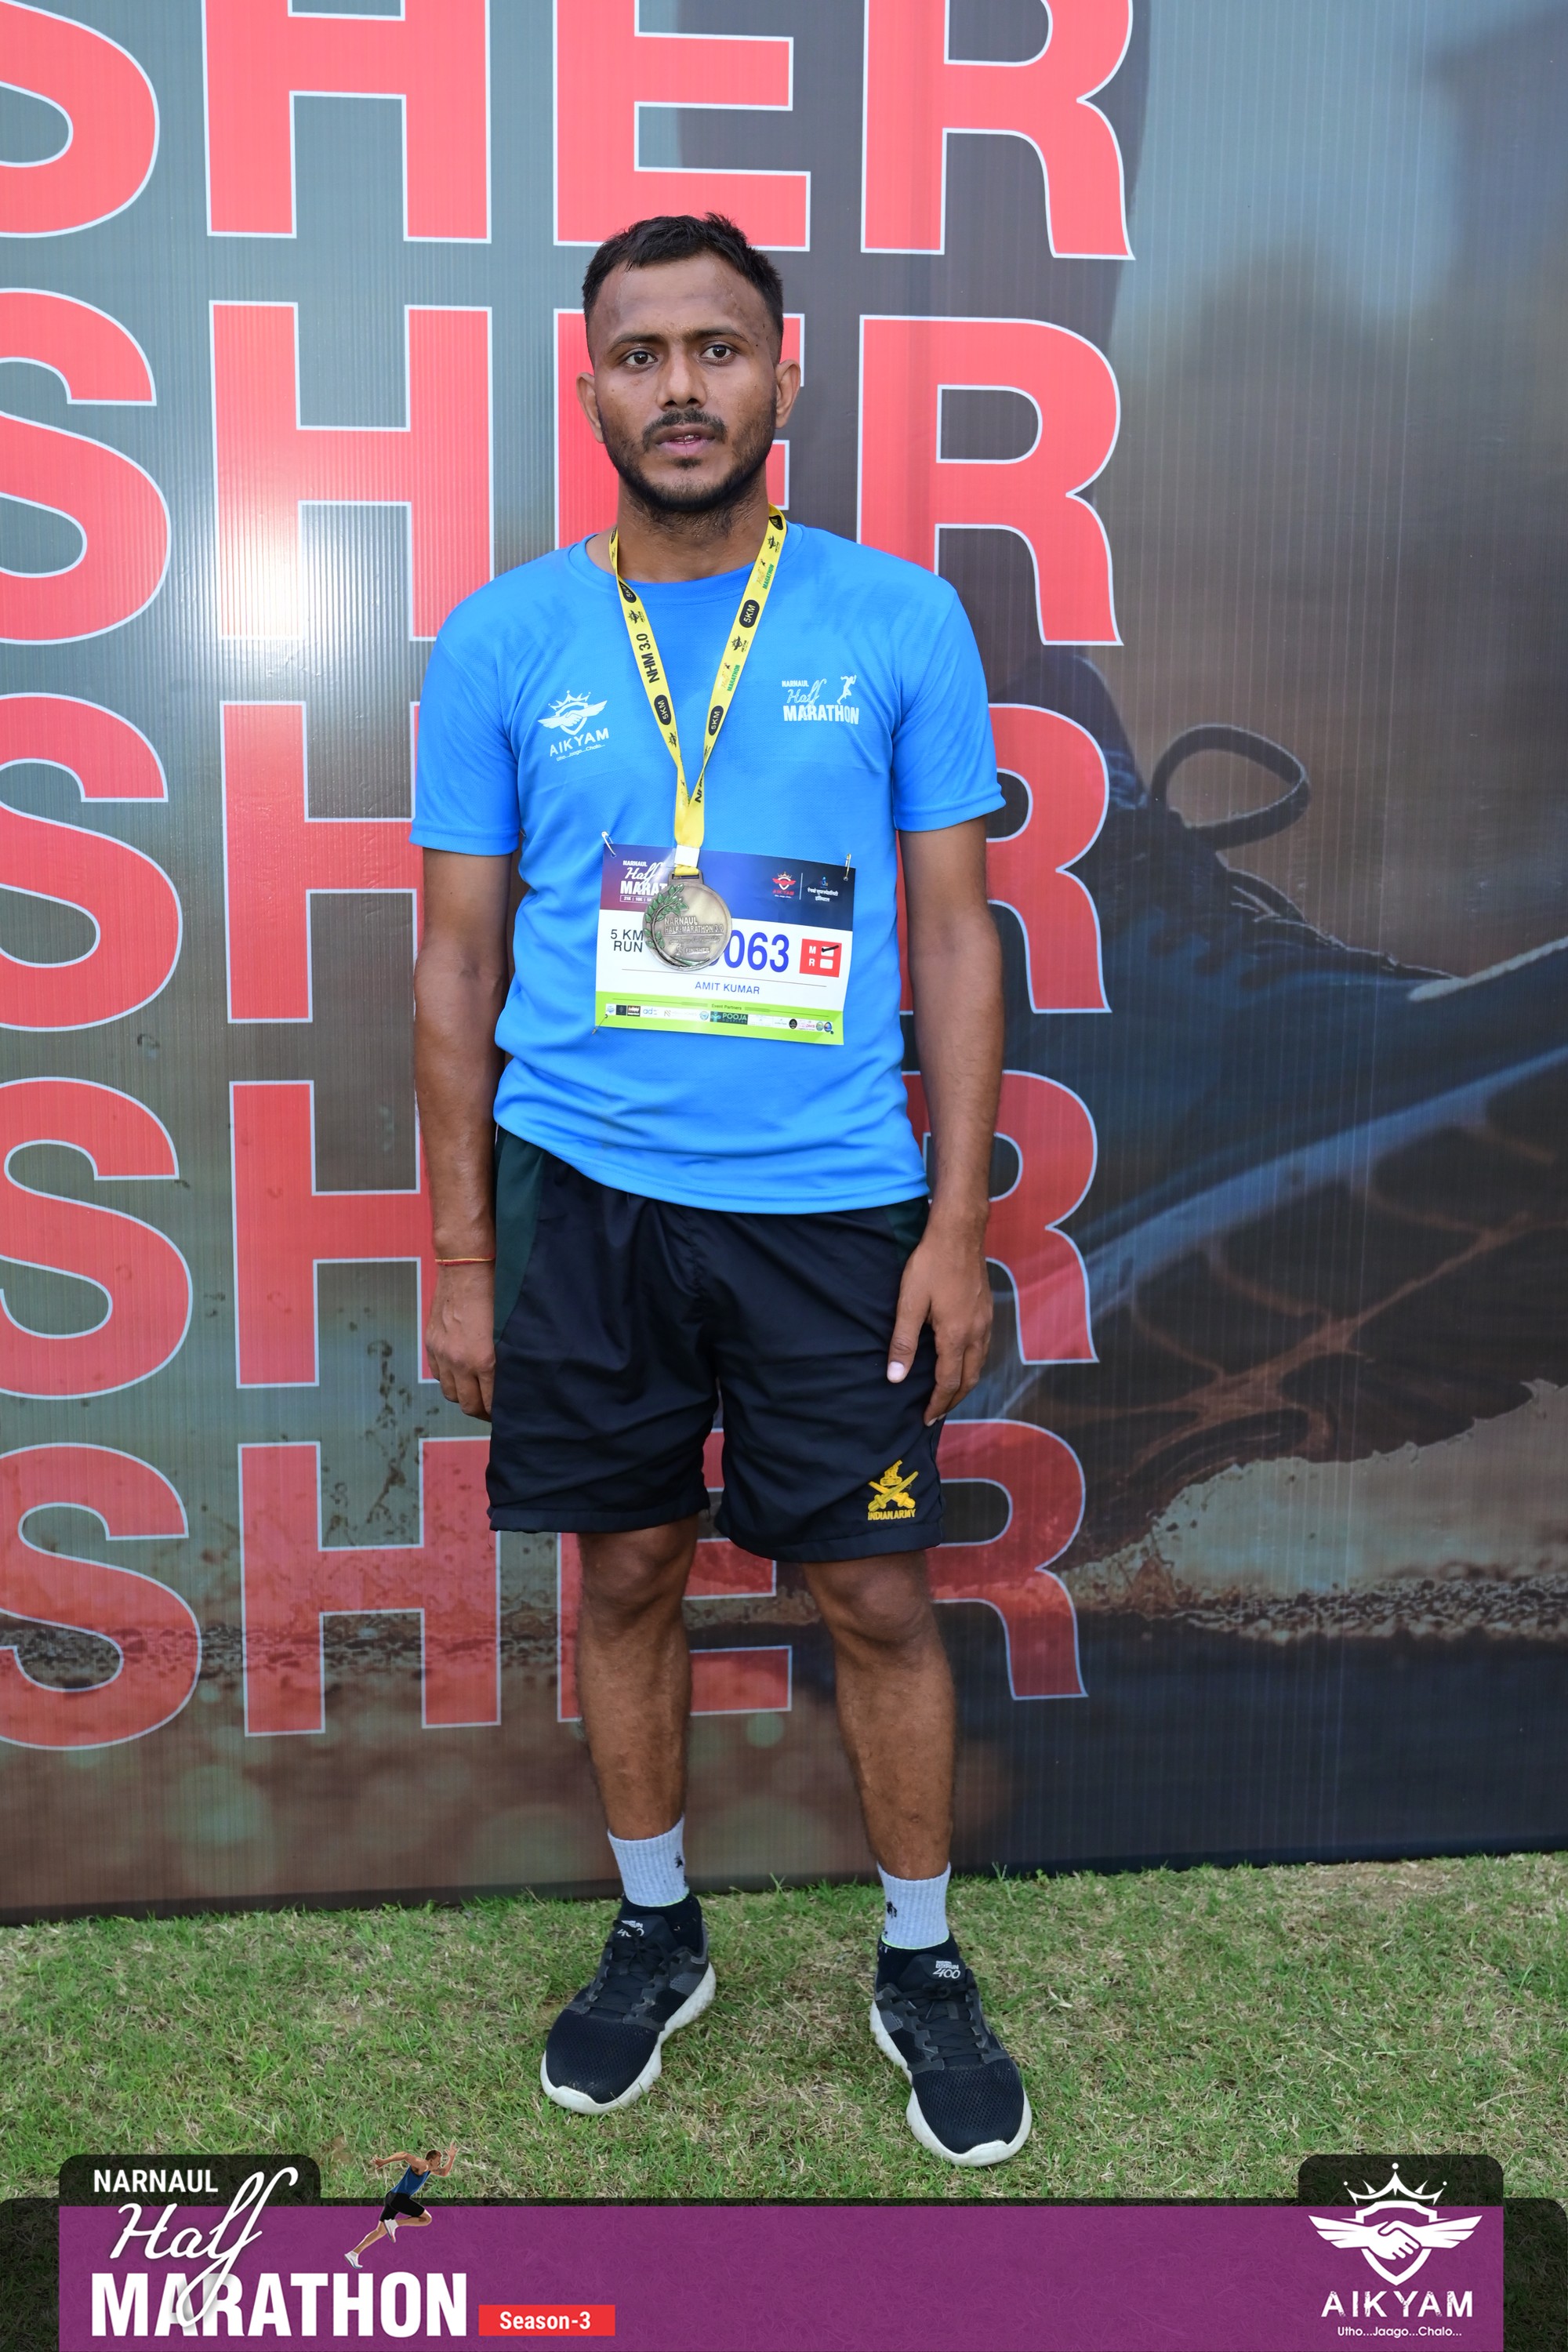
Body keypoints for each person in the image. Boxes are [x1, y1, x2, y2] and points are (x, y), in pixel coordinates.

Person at [411, 211, 1027, 2167]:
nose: (679, 388)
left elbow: (955, 937)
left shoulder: (897, 620)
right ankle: (657, 1929)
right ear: (589, 384)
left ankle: (919, 1955)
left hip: (833, 1205)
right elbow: (451, 959)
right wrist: (462, 1254)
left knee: (872, 1590)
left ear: (783, 374)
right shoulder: (504, 637)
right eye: (639, 354)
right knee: (627, 1572)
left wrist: (952, 1228)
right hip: (586, 1195)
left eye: (716, 349)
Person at [346, 2143, 456, 2268]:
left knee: (380, 2231)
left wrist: (452, 2158)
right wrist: (385, 2161)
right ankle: (394, 2224)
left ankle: (353, 2253)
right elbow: (405, 2155)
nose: (440, 2163)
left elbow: (444, 2172)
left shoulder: (429, 2169)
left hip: (392, 2197)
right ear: (431, 2160)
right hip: (399, 2199)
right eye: (438, 2161)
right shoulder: (423, 2165)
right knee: (426, 2219)